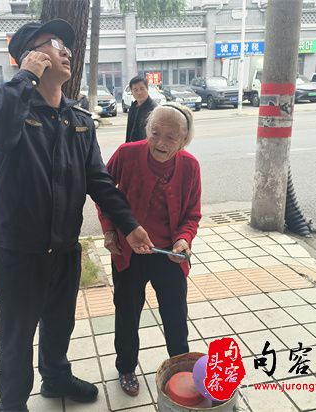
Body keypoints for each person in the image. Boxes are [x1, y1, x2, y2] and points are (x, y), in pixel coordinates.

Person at [0, 19, 153, 412]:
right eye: (55, 43)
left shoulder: (79, 119)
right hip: (19, 252)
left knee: (59, 323)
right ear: (32, 56)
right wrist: (24, 77)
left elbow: (99, 181)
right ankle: (12, 405)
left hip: (64, 248)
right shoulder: (8, 106)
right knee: (16, 337)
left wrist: (130, 225)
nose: (67, 51)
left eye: (67, 45)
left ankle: (55, 376)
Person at [98, 102, 202, 396]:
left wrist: (184, 239)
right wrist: (109, 230)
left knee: (175, 314)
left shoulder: (190, 166)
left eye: (171, 137)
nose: (161, 143)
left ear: (184, 140)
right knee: (127, 312)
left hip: (169, 255)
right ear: (147, 130)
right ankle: (126, 367)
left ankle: (180, 369)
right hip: (128, 251)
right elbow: (104, 193)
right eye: (155, 133)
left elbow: (192, 214)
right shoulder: (126, 154)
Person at [125, 75, 158, 142]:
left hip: (146, 145)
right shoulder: (133, 107)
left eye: (142, 89)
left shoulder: (153, 109)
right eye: (135, 90)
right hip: (133, 145)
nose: (139, 93)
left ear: (147, 89)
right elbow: (129, 129)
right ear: (131, 92)